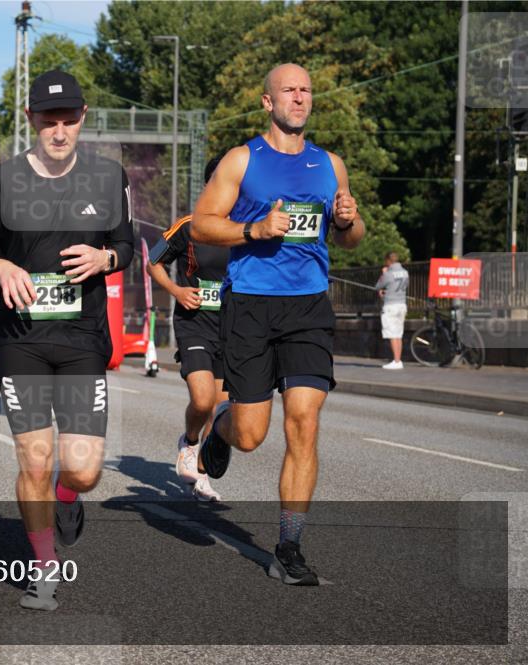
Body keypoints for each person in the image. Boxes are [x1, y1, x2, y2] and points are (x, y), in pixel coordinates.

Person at [0, 70, 135, 610]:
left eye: (68, 120)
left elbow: (127, 245)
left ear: (82, 119)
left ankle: (66, 499)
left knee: (82, 469)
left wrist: (106, 258)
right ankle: (43, 568)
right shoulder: (0, 180)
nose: (58, 131)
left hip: (82, 337)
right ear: (31, 120)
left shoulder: (108, 179)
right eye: (48, 120)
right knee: (34, 458)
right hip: (20, 339)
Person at [191, 63, 366, 586]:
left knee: (304, 424)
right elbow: (201, 224)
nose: (299, 97)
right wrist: (255, 228)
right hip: (250, 304)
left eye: (306, 89)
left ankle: (288, 547)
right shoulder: (242, 160)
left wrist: (349, 219)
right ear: (267, 102)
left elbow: (353, 238)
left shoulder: (330, 164)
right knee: (251, 435)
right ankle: (220, 430)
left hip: (308, 306)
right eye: (289, 90)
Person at [146, 155, 228, 502]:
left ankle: (204, 473)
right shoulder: (189, 225)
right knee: (203, 398)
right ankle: (189, 443)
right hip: (195, 324)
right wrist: (178, 291)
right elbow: (153, 261)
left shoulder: (250, 228)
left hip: (234, 326)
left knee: (222, 409)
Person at [375, 251, 409, 370]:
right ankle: (398, 359)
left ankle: (396, 360)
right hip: (402, 304)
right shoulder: (405, 272)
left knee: (392, 333)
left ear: (388, 261)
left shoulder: (388, 273)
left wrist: (383, 273)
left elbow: (378, 286)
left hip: (391, 306)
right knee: (398, 334)